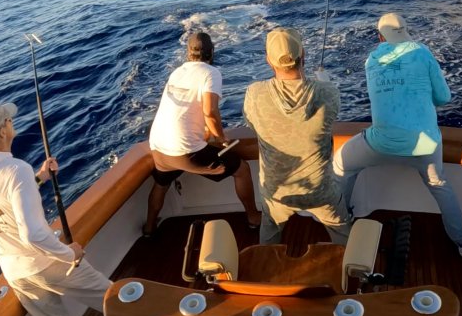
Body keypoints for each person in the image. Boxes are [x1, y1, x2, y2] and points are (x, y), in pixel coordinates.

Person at [333, 13, 462, 257]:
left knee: (341, 165)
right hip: (425, 147)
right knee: (440, 185)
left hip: (379, 144)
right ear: (407, 31)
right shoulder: (423, 53)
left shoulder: (371, 60)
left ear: (380, 37)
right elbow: (444, 98)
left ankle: (345, 222)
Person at [0, 102, 111, 316]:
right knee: (115, 299)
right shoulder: (16, 169)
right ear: (3, 131)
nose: (11, 121)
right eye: (8, 119)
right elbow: (32, 234)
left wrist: (38, 179)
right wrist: (70, 254)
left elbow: (2, 202)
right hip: (45, 263)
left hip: (16, 273)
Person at [243, 28, 352, 245]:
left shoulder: (254, 93)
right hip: (321, 190)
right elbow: (329, 111)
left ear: (269, 60)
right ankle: (352, 272)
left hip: (276, 192)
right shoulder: (328, 92)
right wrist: (324, 80)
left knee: (270, 232)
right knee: (343, 234)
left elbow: (253, 124)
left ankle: (266, 271)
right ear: (303, 54)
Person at [146, 32, 260, 235]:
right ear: (212, 52)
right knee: (241, 170)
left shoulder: (177, 72)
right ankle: (253, 216)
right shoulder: (210, 73)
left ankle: (149, 227)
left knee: (161, 184)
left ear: (188, 53)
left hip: (158, 148)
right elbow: (210, 111)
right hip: (185, 152)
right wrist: (221, 137)